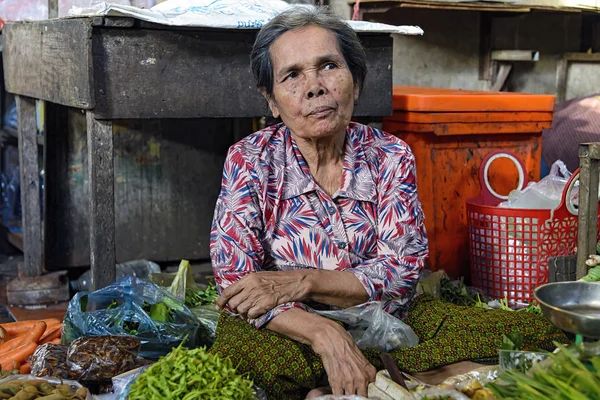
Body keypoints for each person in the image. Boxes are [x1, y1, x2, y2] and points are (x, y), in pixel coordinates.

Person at [209, 7, 566, 400]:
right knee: (238, 347)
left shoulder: (389, 155)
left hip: (388, 315)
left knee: (536, 333)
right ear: (272, 101)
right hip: (296, 326)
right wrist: (325, 333)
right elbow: (234, 283)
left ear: (356, 83)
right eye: (292, 75)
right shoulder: (250, 159)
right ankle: (413, 373)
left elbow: (401, 270)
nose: (314, 87)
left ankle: (349, 382)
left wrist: (305, 280)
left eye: (328, 66)